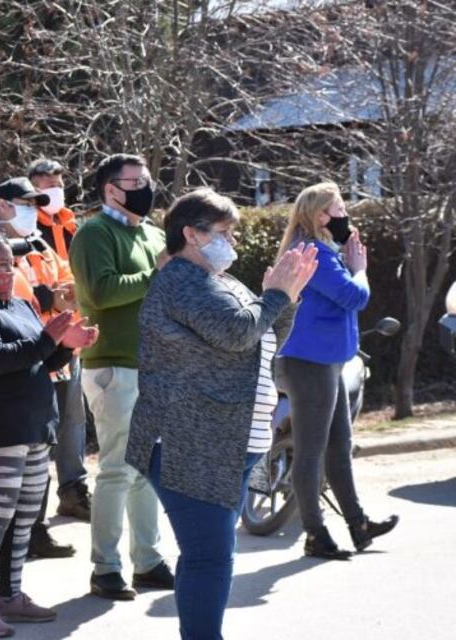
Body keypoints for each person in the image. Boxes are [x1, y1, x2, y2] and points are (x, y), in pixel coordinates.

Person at [124, 188, 317, 640]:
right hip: (188, 443)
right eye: (224, 232)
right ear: (190, 234)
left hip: (226, 441)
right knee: (208, 556)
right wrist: (275, 296)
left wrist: (285, 299)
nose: (231, 241)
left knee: (210, 553)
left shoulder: (221, 281)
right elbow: (236, 332)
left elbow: (262, 340)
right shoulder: (182, 282)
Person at [0, 231, 98, 638]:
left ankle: (10, 595)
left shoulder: (18, 303)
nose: (10, 271)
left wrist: (68, 347)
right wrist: (49, 338)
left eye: (12, 264)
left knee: (25, 517)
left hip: (34, 425)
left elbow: (40, 361)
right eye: (1, 265)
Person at [68, 153, 173, 600]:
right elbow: (102, 291)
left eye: (148, 179)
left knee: (146, 470)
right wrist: (156, 273)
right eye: (136, 181)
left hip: (152, 367)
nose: (146, 188)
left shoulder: (151, 232)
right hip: (113, 366)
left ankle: (147, 561)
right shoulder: (94, 232)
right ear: (111, 189)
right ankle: (105, 568)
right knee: (116, 469)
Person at [276, 182, 399, 560]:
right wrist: (359, 269)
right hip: (308, 364)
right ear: (320, 215)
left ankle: (358, 526)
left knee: (338, 448)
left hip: (325, 362)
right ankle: (315, 534)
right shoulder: (312, 251)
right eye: (339, 208)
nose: (346, 214)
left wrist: (349, 262)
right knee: (311, 453)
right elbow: (353, 297)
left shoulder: (324, 250)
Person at [0, 176, 81, 557]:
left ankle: (35, 530)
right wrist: (48, 297)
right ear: (2, 204)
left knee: (41, 446)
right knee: (2, 459)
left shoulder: (40, 244)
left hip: (50, 354)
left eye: (34, 204)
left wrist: (63, 299)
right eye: (25, 203)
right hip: (7, 360)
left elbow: (68, 282)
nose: (32, 211)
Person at [28, 159, 92, 522]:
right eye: (44, 183)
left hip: (71, 334)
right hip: (37, 336)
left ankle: (73, 488)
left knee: (72, 416)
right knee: (40, 420)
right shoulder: (24, 229)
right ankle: (33, 507)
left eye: (57, 183)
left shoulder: (70, 226)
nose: (52, 189)